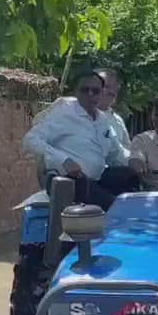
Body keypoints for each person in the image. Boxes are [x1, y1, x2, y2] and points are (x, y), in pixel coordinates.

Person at [22, 70, 142, 210]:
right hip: (69, 181)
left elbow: (115, 154)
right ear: (76, 92)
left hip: (97, 179)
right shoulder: (64, 112)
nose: (90, 94)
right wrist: (64, 160)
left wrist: (136, 160)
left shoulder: (102, 120)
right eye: (85, 90)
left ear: (101, 93)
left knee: (130, 179)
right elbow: (30, 140)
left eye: (95, 91)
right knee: (115, 206)